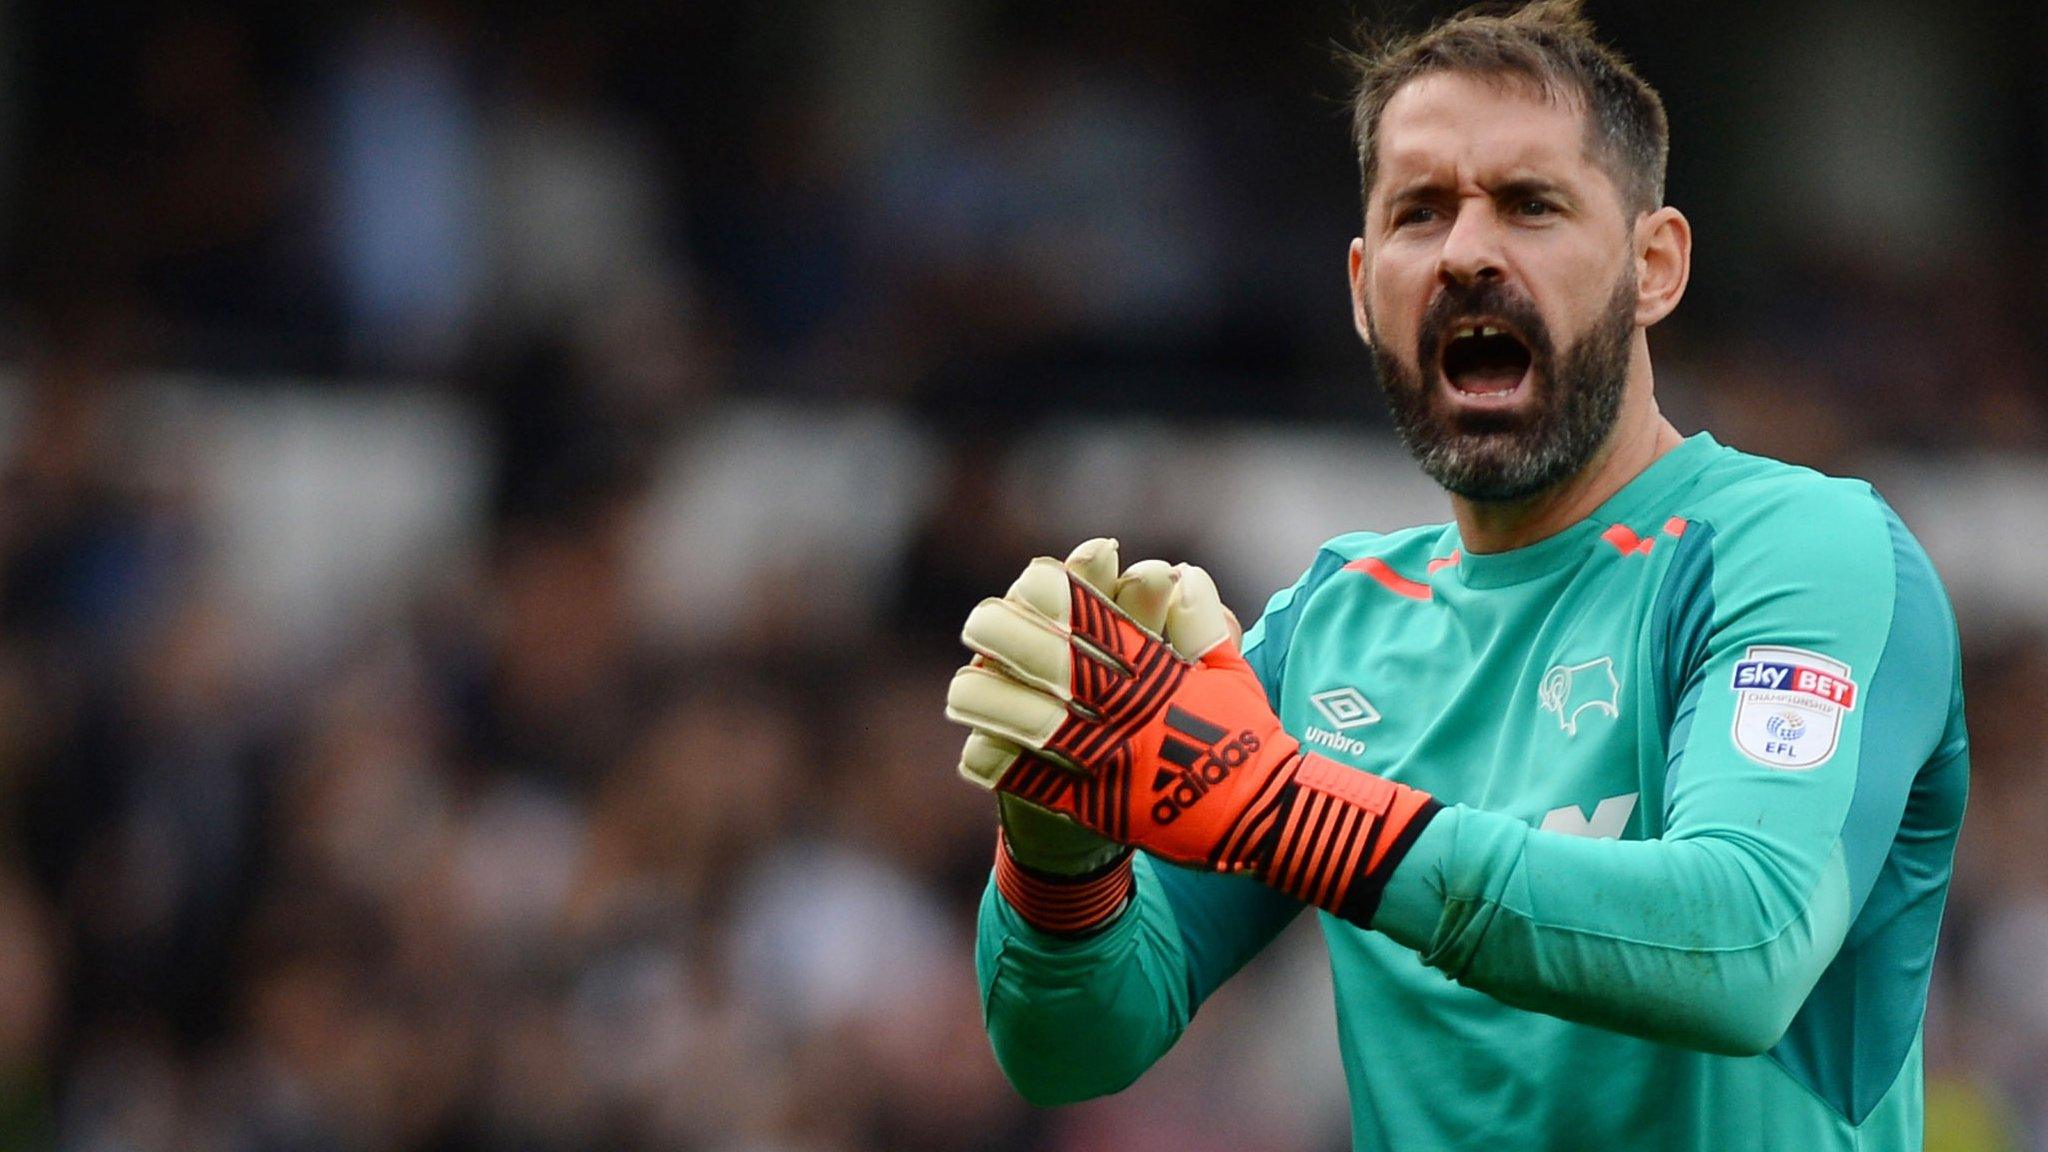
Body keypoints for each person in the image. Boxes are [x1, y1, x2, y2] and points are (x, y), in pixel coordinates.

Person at [939, 2, 1970, 1149]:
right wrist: (1061, 852)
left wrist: (1286, 810)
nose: (1466, 252)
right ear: (1359, 282)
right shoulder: (1332, 624)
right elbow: (1070, 1048)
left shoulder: (1794, 551)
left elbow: (1740, 951)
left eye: (1529, 205)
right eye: (1417, 213)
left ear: (1652, 265)